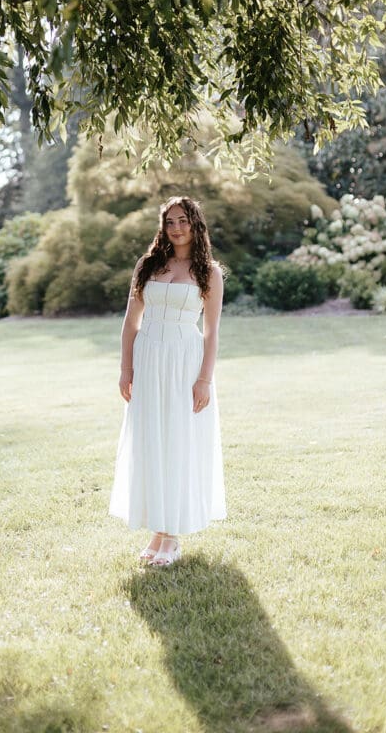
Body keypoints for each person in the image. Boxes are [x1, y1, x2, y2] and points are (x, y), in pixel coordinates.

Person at [109, 195, 226, 566]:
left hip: (184, 361)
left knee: (177, 440)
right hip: (148, 359)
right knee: (151, 440)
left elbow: (211, 332)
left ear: (195, 224)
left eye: (183, 221)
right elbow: (130, 323)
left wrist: (205, 379)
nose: (176, 228)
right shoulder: (147, 266)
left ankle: (171, 536)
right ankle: (157, 529)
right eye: (170, 221)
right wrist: (126, 369)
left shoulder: (209, 272)